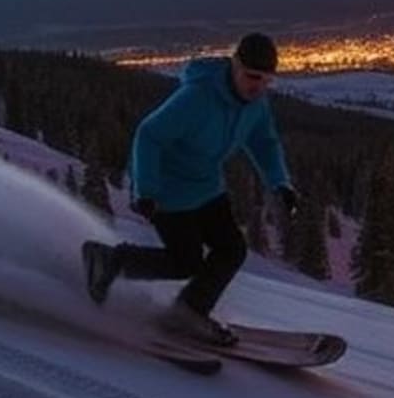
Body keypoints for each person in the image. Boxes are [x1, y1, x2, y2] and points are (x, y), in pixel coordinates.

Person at [81, 32, 299, 345]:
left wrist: (280, 183)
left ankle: (188, 312)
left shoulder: (256, 104)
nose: (259, 86)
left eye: (267, 80)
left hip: (207, 186)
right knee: (186, 261)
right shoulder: (198, 97)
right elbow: (149, 134)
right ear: (235, 65)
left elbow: (264, 142)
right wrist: (146, 190)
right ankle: (111, 261)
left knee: (232, 250)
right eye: (253, 77)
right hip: (167, 190)